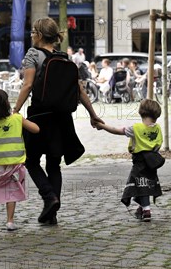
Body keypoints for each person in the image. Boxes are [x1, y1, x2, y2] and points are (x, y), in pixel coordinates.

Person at [13, 17, 103, 225]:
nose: (31, 35)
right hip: (62, 119)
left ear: (40, 34)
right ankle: (51, 214)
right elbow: (80, 90)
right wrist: (93, 114)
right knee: (54, 164)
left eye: (33, 32)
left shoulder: (32, 54)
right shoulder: (65, 58)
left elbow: (27, 86)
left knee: (32, 161)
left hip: (39, 117)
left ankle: (49, 197)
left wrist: (15, 110)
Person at [0, 89, 39, 231]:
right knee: (10, 192)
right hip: (14, 164)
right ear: (6, 104)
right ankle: (10, 221)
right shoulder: (17, 119)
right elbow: (36, 129)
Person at [95, 99, 163, 222]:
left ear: (141, 112)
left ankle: (146, 210)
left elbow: (117, 130)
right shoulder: (157, 129)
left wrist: (102, 126)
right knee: (145, 185)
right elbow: (158, 146)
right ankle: (141, 208)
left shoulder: (136, 128)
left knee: (139, 184)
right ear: (157, 115)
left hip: (139, 163)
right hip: (152, 163)